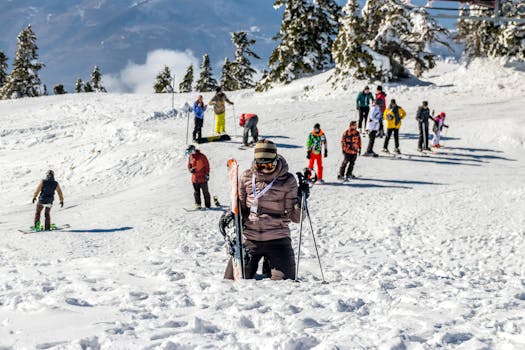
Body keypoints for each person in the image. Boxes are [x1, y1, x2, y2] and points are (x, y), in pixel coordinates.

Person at [224, 139, 303, 280]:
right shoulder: (247, 177)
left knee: (285, 285)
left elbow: (296, 218)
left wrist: (300, 203)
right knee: (231, 282)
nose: (265, 168)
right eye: (261, 165)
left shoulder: (288, 180)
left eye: (269, 164)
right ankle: (262, 263)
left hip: (278, 239)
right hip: (250, 239)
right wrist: (231, 214)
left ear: (276, 159)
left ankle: (270, 263)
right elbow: (240, 208)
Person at [186, 145, 211, 209]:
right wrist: (190, 169)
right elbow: (189, 165)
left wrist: (207, 174)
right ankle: (198, 204)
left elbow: (207, 166)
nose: (189, 154)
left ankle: (207, 205)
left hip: (202, 178)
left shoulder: (202, 156)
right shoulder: (191, 157)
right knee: (196, 192)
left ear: (193, 150)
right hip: (195, 178)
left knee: (205, 192)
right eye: (188, 152)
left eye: (190, 152)